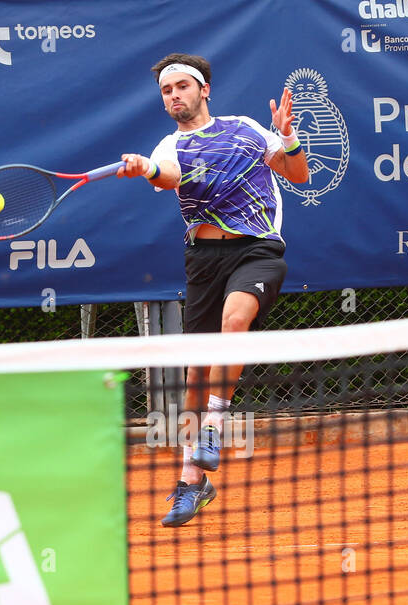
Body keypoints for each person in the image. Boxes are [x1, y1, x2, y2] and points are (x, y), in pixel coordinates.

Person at [118, 54, 309, 526]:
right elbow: (170, 176)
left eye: (182, 86)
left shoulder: (245, 129)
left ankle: (214, 426)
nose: (174, 95)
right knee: (196, 374)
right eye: (167, 90)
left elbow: (298, 175)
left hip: (257, 249)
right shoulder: (169, 145)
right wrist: (145, 167)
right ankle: (191, 482)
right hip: (203, 258)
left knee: (235, 321)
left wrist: (286, 136)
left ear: (204, 89)